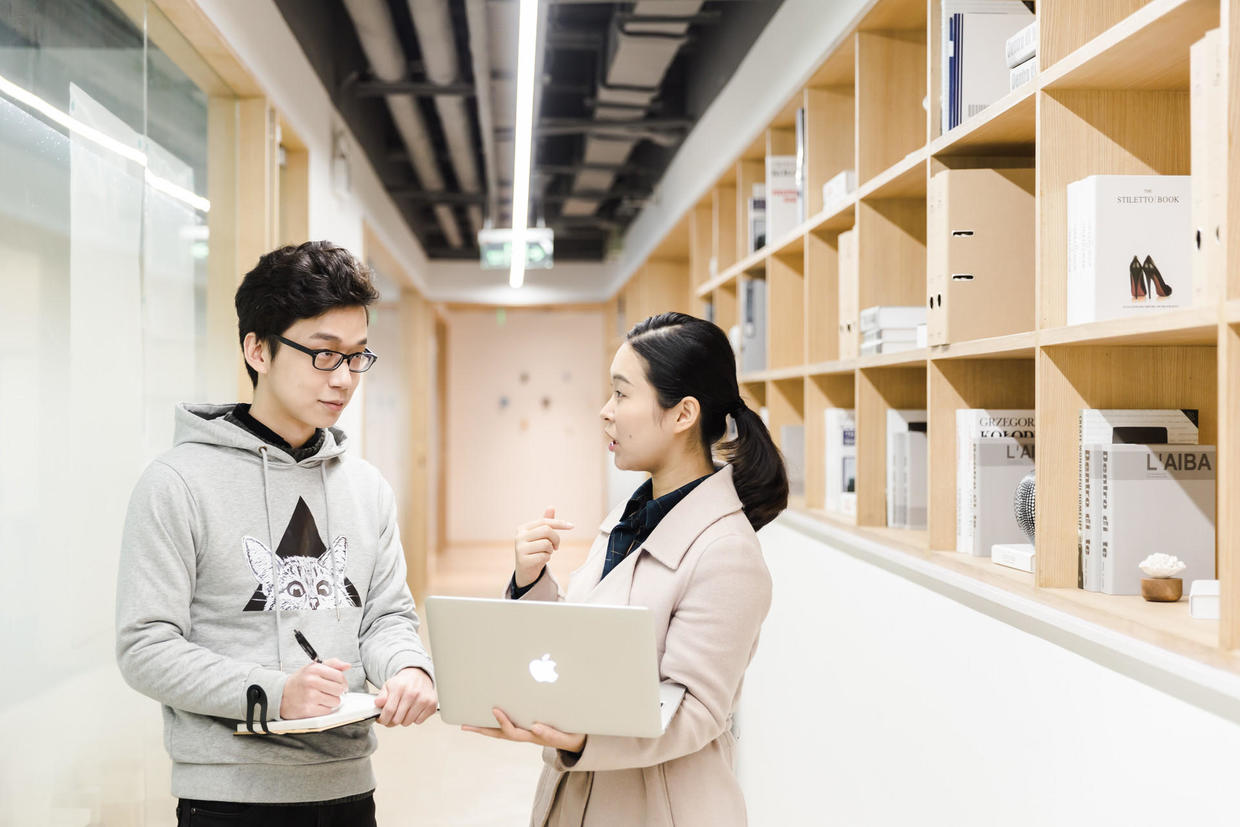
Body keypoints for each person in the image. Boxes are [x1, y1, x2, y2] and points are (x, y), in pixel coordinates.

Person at [116, 241, 437, 826]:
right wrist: (272, 691)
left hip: (348, 790)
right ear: (257, 349)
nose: (343, 378)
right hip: (230, 798)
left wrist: (408, 669)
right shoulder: (176, 482)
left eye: (357, 356)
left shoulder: (367, 489)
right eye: (322, 355)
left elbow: (387, 618)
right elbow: (145, 648)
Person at [463, 311, 788, 826]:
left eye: (621, 394)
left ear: (682, 414)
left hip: (661, 808)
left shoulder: (728, 552)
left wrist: (582, 736)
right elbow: (582, 645)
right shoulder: (630, 516)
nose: (604, 412)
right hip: (583, 794)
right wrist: (530, 581)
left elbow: (695, 713)